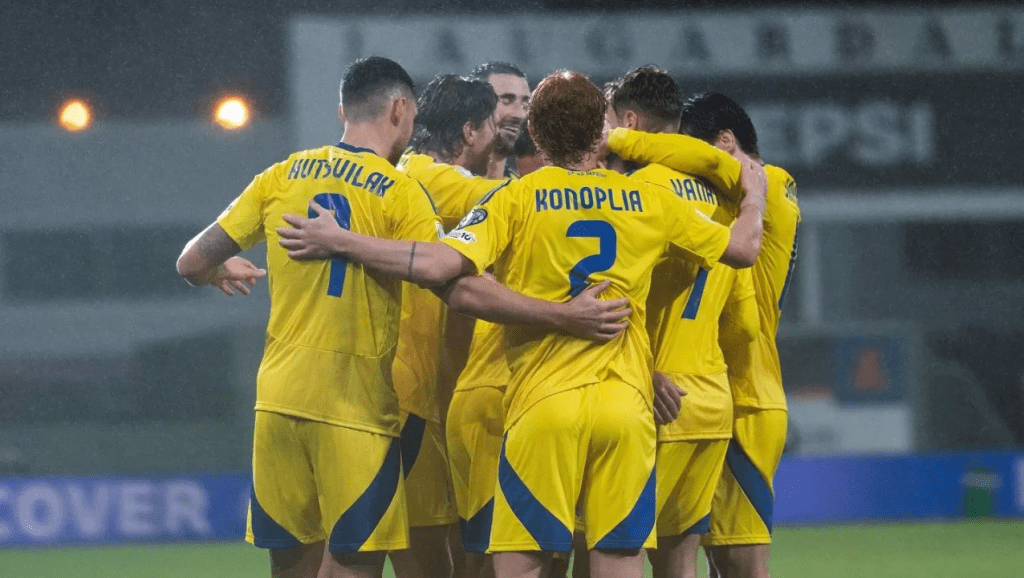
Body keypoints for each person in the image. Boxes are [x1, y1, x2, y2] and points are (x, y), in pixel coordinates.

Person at [276, 70, 769, 578]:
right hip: (627, 407)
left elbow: (445, 271)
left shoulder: (515, 198)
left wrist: (341, 240)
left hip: (542, 405)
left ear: (539, 130)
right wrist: (753, 195)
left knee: (519, 563)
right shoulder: (651, 200)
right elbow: (743, 249)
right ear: (601, 134)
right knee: (618, 561)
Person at [176, 57, 625, 578]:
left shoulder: (281, 174)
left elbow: (191, 261)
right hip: (357, 405)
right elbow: (453, 281)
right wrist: (562, 314)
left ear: (343, 107)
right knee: (369, 564)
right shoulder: (400, 190)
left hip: (276, 402)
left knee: (294, 566)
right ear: (400, 109)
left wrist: (216, 271)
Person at [606, 93, 801, 578]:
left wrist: (618, 139)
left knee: (740, 564)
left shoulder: (767, 183)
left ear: (725, 143)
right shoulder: (726, 202)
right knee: (696, 557)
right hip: (722, 389)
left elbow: (746, 323)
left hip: (747, 390)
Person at [389, 73, 499, 578]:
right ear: (471, 131)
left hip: (429, 391)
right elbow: (521, 203)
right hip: (416, 396)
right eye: (496, 123)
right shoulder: (435, 178)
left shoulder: (404, 175)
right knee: (432, 555)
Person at [469, 62, 531, 179]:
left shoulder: (522, 193)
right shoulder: (439, 187)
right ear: (474, 105)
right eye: (506, 100)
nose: (520, 115)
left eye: (525, 103)